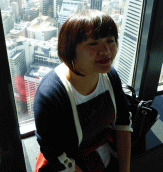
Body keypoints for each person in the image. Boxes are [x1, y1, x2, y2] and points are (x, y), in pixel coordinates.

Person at [33, 9, 132, 172]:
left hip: (104, 159)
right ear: (70, 49)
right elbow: (54, 153)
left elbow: (123, 122)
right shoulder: (51, 95)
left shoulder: (110, 76)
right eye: (93, 44)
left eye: (110, 40)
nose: (105, 50)